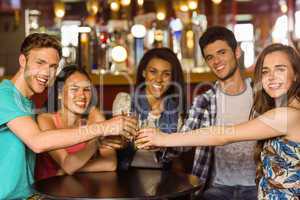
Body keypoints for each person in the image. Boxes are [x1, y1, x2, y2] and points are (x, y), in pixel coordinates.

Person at [137, 43, 300, 199]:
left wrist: (163, 138)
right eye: (265, 71)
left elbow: (223, 135)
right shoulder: (282, 112)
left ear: (296, 74)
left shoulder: (287, 116)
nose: (271, 77)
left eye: (280, 69)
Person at [0, 33, 136, 199]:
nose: (46, 73)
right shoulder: (4, 97)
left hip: (30, 196)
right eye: (40, 63)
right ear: (23, 61)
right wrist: (104, 127)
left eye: (52, 67)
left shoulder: (26, 103)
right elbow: (37, 142)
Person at [169, 26, 258, 199]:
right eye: (210, 57)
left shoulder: (261, 95)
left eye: (222, 52)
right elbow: (184, 141)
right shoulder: (204, 100)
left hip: (257, 186)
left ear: (237, 52)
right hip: (218, 188)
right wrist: (156, 142)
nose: (216, 61)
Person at [35, 65, 117, 180]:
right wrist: (96, 142)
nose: (82, 95)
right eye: (74, 89)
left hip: (82, 189)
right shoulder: (46, 120)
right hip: (49, 191)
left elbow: (110, 163)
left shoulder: (94, 117)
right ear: (59, 93)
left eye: (86, 89)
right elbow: (68, 165)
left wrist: (67, 170)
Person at [110, 47, 187, 170]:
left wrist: (163, 144)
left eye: (166, 74)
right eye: (153, 71)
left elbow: (180, 151)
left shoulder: (176, 109)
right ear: (144, 73)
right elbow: (118, 143)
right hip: (128, 173)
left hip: (164, 176)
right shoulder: (125, 101)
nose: (159, 79)